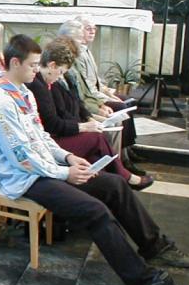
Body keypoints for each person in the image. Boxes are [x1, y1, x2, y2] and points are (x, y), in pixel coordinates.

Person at [0, 34, 189, 285]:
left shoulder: (23, 92)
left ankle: (155, 246)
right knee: (95, 211)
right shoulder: (1, 103)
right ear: (15, 63)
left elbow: (41, 137)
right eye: (33, 65)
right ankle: (144, 281)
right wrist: (66, 173)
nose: (37, 70)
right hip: (26, 179)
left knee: (115, 185)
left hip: (47, 169)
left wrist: (68, 156)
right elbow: (22, 158)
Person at [26, 36, 153, 190]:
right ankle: (125, 177)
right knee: (96, 138)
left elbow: (76, 101)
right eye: (60, 72)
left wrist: (88, 118)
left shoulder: (47, 81)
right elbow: (52, 124)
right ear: (52, 65)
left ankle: (113, 184)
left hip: (56, 135)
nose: (60, 77)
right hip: (50, 142)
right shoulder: (38, 85)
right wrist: (83, 126)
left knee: (95, 154)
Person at [59, 20, 144, 175]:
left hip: (86, 104)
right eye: (78, 40)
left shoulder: (80, 53)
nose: (81, 43)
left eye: (94, 28)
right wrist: (98, 107)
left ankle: (124, 154)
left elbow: (91, 83)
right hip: (84, 107)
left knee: (126, 105)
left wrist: (106, 93)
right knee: (119, 111)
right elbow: (80, 96)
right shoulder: (67, 65)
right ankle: (119, 163)